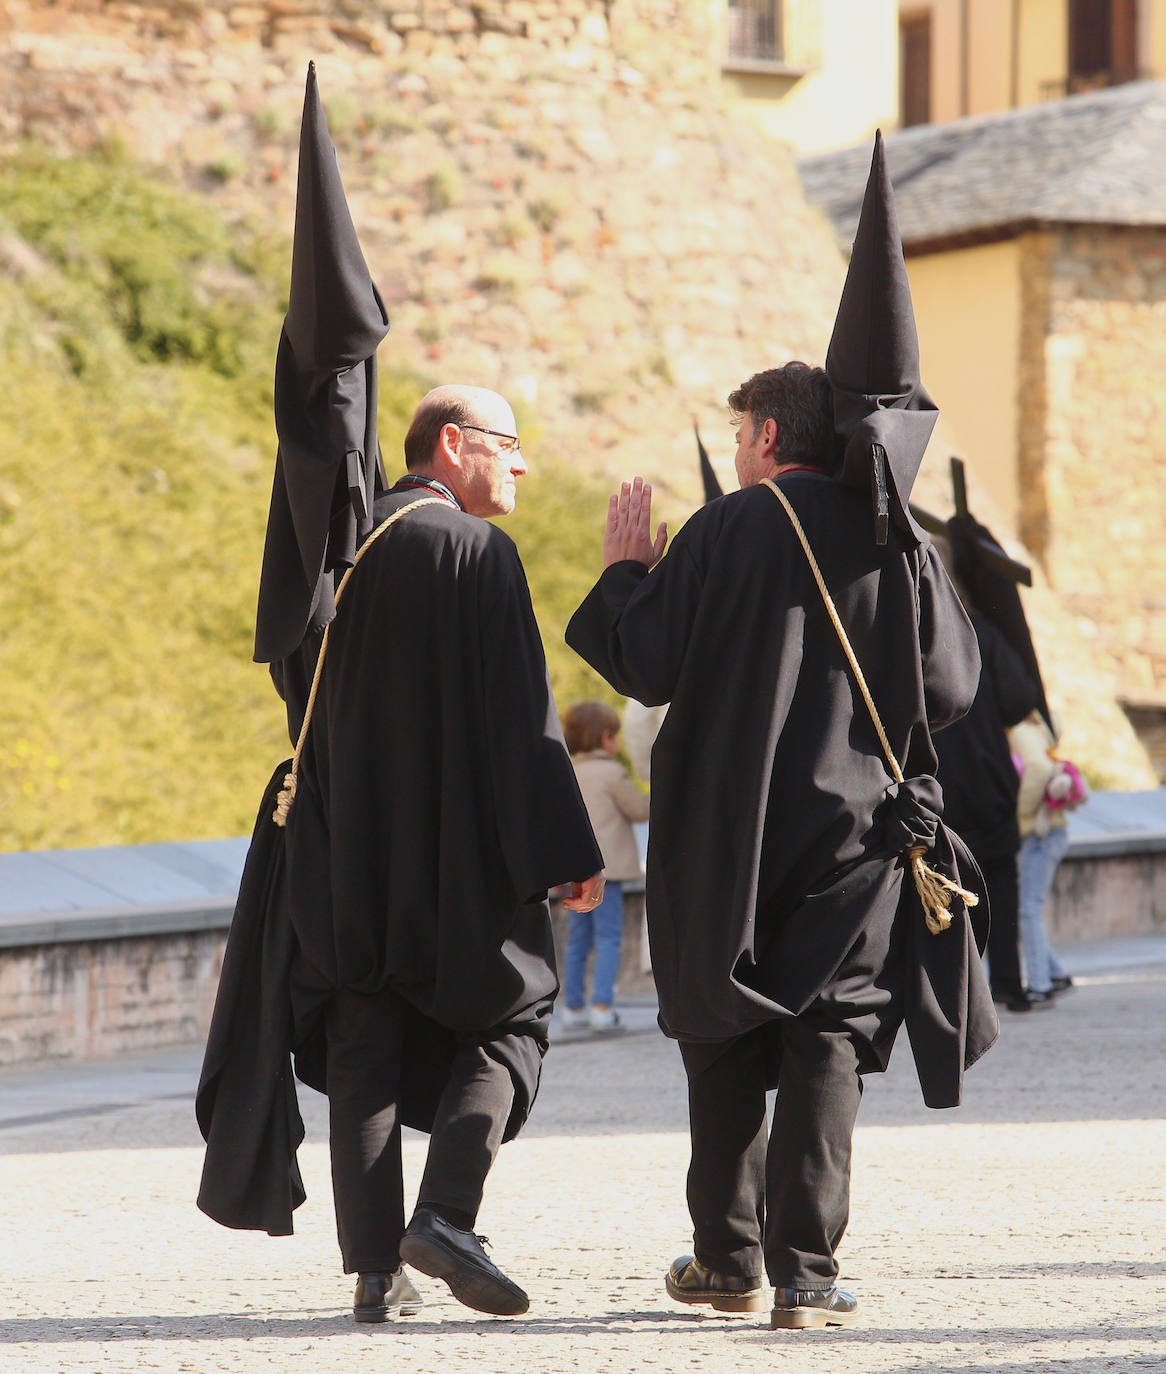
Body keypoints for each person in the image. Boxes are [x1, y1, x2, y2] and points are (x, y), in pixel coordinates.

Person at [565, 137, 997, 1332]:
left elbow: (643, 666)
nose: (741, 445)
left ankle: (725, 1257)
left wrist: (623, 573)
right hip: (857, 838)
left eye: (745, 429)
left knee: (721, 1047)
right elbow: (954, 690)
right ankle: (808, 1280)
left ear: (767, 437)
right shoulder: (896, 540)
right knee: (828, 1048)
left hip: (728, 837)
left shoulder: (725, 530)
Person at [198, 385, 604, 1324]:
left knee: (363, 1042)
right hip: (458, 853)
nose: (523, 464)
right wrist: (563, 849)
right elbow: (520, 722)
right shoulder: (474, 549)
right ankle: (449, 1219)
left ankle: (377, 1272)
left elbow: (298, 692)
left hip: (341, 850)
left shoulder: (331, 552)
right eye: (509, 445)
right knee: (515, 1016)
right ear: (452, 445)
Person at [932, 609, 1044, 1011]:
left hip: (930, 785)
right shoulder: (982, 632)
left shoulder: (899, 628)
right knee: (999, 885)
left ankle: (950, 992)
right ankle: (1009, 984)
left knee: (938, 890)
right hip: (987, 781)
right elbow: (1019, 701)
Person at [560, 701, 651, 1031]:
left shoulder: (567, 769)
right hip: (606, 873)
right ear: (605, 737)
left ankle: (572, 1007)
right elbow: (640, 810)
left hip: (576, 871)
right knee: (610, 937)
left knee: (578, 940)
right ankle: (601, 1007)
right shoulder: (613, 774)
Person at [1010, 709, 1089, 999]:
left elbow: (1040, 770)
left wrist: (1019, 816)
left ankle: (1040, 984)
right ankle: (1056, 973)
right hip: (1048, 834)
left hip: (1038, 835)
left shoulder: (1020, 730)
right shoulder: (1037, 728)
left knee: (1028, 910)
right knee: (1026, 908)